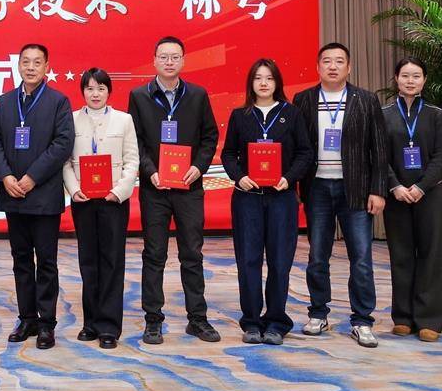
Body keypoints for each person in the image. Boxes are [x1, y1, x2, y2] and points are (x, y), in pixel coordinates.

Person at [291, 42, 389, 348]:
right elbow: (297, 147)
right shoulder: (304, 99)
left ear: (349, 67)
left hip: (355, 188)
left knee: (361, 258)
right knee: (317, 256)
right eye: (327, 61)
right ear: (318, 66)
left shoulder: (366, 100)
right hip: (317, 187)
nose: (332, 66)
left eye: (339, 61)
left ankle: (362, 320)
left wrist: (378, 190)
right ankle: (318, 313)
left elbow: (379, 150)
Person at [127, 36, 221, 344]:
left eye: (175, 57)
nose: (169, 62)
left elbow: (209, 137)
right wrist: (150, 171)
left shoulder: (197, 95)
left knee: (192, 254)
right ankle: (153, 320)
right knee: (154, 254)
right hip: (154, 188)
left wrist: (199, 166)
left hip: (188, 188)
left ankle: (198, 319)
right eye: (164, 57)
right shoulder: (139, 96)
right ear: (154, 60)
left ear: (183, 61)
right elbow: (136, 141)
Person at [220, 58, 313, 345]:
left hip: (281, 199)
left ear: (277, 83)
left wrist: (289, 177)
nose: (263, 83)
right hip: (247, 199)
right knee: (248, 260)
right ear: (251, 83)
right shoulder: (240, 115)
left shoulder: (291, 113)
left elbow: (305, 153)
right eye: (258, 78)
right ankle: (251, 322)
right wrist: (239, 177)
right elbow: (228, 154)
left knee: (279, 261)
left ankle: (276, 322)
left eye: (269, 78)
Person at [0, 44, 74, 350]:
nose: (30, 67)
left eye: (37, 62)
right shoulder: (5, 101)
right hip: (13, 193)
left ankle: (47, 323)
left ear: (46, 66)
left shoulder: (58, 101)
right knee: (21, 259)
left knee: (46, 261)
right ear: (19, 65)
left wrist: (32, 178)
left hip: (44, 194)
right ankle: (26, 318)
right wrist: (6, 177)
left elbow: (62, 144)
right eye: (25, 62)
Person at [62, 68, 139, 350]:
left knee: (112, 261)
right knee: (88, 261)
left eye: (101, 88)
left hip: (113, 200)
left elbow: (132, 160)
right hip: (83, 199)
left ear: (109, 91)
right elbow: (65, 160)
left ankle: (109, 326)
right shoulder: (70, 120)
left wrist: (119, 191)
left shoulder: (124, 120)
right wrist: (74, 189)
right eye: (90, 88)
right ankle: (90, 323)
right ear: (83, 91)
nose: (95, 94)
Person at [381, 57, 442, 342]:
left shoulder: (436, 114)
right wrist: (395, 186)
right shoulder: (384, 114)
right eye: (405, 76)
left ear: (424, 80)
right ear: (396, 79)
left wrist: (421, 187)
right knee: (401, 254)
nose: (410, 81)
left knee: (431, 255)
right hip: (396, 195)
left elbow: (441, 156)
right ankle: (403, 316)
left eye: (416, 76)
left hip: (430, 194)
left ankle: (429, 319)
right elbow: (379, 156)